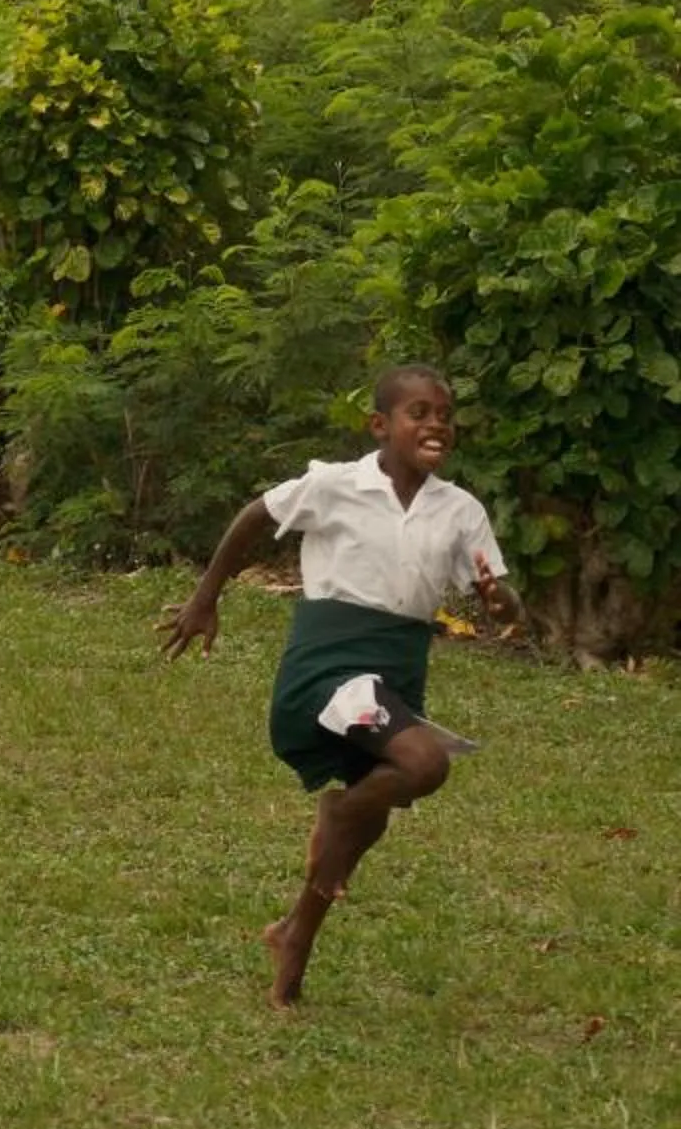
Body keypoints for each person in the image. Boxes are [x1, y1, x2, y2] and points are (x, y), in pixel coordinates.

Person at [161, 364, 519, 1008]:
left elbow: (504, 598)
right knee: (424, 763)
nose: (436, 423)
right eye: (419, 412)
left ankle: (295, 937)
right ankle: (335, 811)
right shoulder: (335, 485)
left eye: (445, 414)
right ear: (380, 426)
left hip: (396, 674)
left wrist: (501, 601)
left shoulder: (460, 510)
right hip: (328, 668)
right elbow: (252, 516)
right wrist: (204, 599)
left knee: (369, 824)